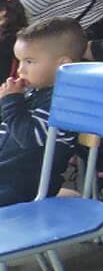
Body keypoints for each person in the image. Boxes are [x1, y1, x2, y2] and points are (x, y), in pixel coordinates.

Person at [0, 18, 87, 206]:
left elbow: (28, 138)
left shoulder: (65, 102)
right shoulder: (35, 91)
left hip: (24, 186)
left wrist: (11, 101)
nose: (20, 70)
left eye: (29, 61)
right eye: (20, 61)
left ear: (62, 65)